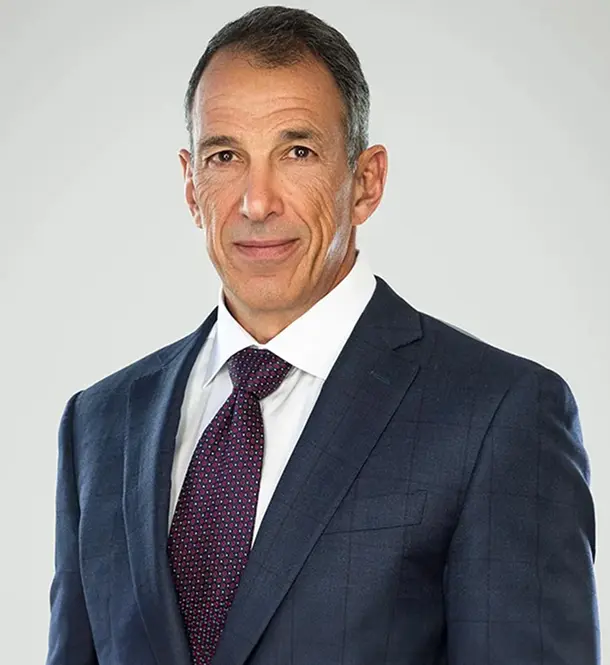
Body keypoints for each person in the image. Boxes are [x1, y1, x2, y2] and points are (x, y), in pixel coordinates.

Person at [46, 6, 599, 665]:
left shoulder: (499, 415)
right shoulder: (100, 425)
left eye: (297, 152)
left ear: (366, 182)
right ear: (191, 187)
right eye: (225, 156)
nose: (257, 202)